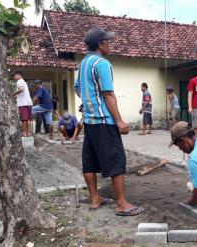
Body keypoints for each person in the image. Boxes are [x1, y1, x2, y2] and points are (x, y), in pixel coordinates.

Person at [74, 27, 144, 216]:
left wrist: (87, 103)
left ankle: (95, 197)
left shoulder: (83, 65)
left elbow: (77, 89)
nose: (110, 44)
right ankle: (121, 204)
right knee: (116, 159)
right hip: (104, 121)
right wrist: (119, 121)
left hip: (89, 122)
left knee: (89, 161)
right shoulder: (102, 63)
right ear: (100, 44)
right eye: (108, 41)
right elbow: (108, 94)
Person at [12, 71, 33, 137]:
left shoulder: (19, 81)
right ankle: (29, 132)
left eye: (15, 76)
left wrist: (13, 94)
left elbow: (21, 89)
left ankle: (24, 132)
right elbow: (22, 93)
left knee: (24, 119)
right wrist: (16, 96)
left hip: (23, 103)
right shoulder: (24, 82)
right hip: (28, 103)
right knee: (29, 118)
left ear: (19, 75)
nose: (14, 78)